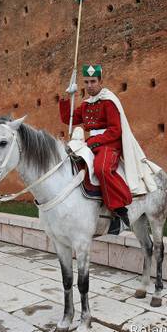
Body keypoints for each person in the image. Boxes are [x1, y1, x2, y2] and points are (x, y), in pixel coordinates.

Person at [59, 64, 132, 234]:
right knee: (72, 167)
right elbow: (66, 118)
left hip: (109, 144)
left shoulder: (109, 101)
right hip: (91, 144)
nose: (90, 85)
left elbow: (115, 130)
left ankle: (120, 209)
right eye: (87, 82)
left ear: (100, 81)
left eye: (93, 81)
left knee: (102, 168)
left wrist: (94, 142)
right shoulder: (86, 105)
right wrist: (66, 96)